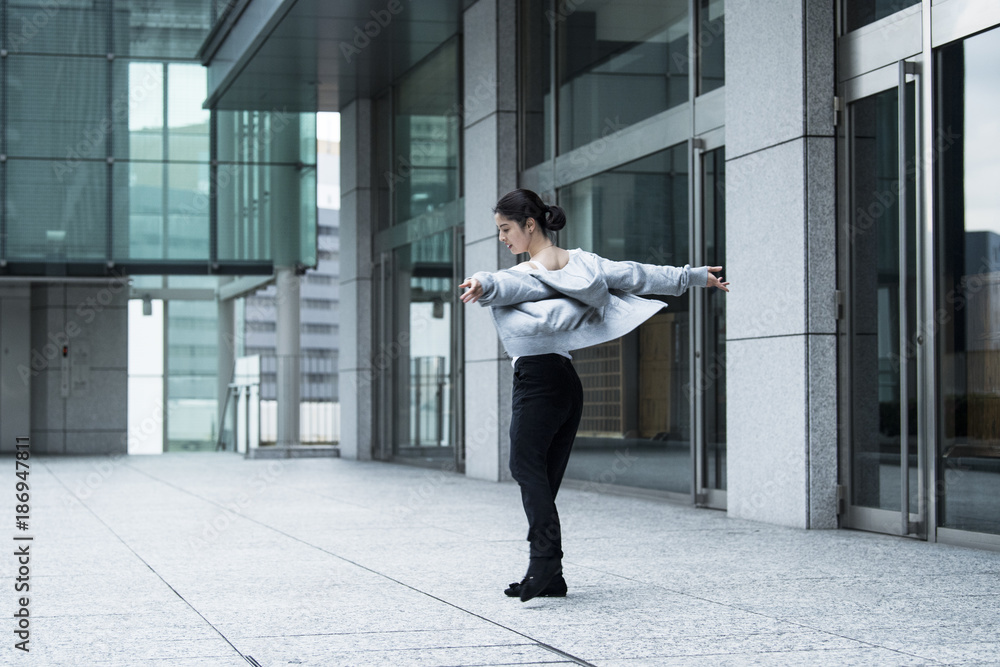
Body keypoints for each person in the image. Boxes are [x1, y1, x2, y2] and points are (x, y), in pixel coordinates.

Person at [459, 189, 730, 602]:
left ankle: (544, 560)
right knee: (542, 478)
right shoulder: (586, 266)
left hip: (537, 380)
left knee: (525, 465)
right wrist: (691, 276)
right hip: (566, 380)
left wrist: (481, 282)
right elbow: (637, 273)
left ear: (530, 225)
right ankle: (551, 575)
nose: (502, 237)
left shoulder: (527, 275)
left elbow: (501, 283)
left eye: (505, 228)